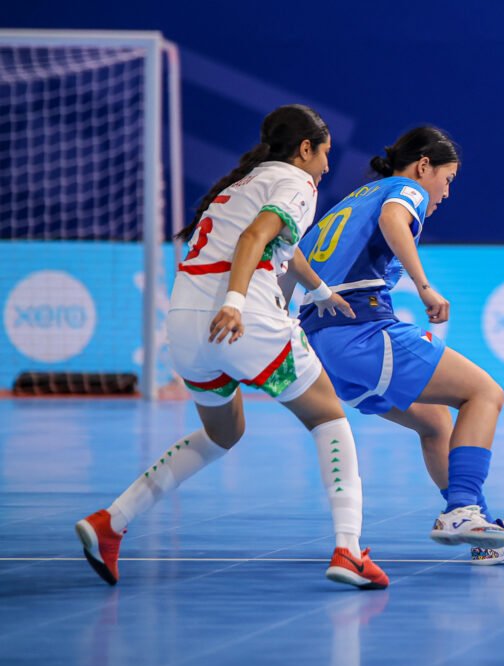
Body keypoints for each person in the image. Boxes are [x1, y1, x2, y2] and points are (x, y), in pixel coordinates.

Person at [75, 105, 390, 590]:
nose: (327, 166)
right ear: (305, 149)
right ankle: (348, 549)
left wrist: (322, 291)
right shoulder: (296, 183)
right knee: (328, 416)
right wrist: (237, 302)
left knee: (223, 432)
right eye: (325, 154)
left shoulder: (240, 185)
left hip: (184, 327)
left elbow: (282, 245)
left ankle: (111, 522)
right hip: (244, 322)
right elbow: (256, 237)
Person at [291, 126, 504, 564]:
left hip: (323, 345)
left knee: (435, 424)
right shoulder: (405, 189)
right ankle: (461, 512)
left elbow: (296, 258)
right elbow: (394, 221)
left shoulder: (350, 202)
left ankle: (478, 527)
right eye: (447, 180)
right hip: (363, 330)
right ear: (424, 165)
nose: (445, 193)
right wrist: (424, 288)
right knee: (484, 393)